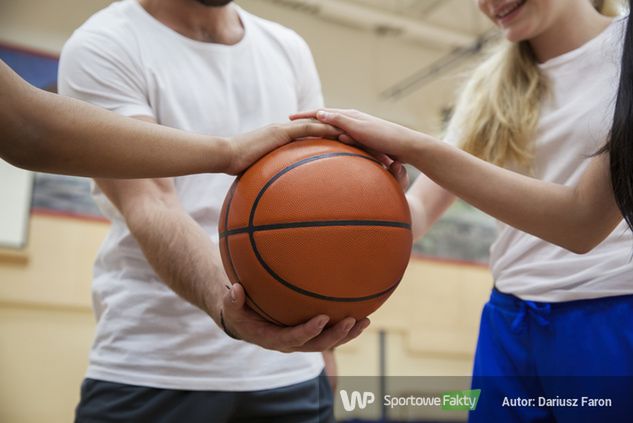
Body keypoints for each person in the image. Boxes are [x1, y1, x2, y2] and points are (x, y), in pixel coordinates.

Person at [294, 0, 633, 421]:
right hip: (509, 317)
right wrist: (355, 182)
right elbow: (415, 214)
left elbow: (582, 224)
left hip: (609, 308)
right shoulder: (489, 86)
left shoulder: (625, 49)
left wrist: (414, 144)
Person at [58, 0, 367, 421]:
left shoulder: (287, 48)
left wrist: (323, 353)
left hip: (291, 371)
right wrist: (228, 309)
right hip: (156, 367)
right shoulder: (104, 44)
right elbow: (150, 201)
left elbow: (314, 202)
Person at [0, 60, 339, 178]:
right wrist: (220, 302)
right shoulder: (105, 41)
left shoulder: (288, 48)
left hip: (280, 311)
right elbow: (30, 128)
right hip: (157, 326)